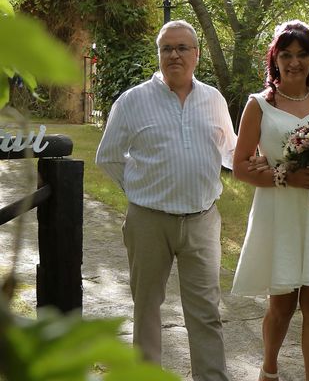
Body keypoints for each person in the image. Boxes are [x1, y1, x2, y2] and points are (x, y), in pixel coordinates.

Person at [96, 20, 236, 381]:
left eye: (182, 48)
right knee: (147, 309)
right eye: (166, 49)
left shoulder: (213, 99)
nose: (174, 55)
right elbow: (108, 156)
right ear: (158, 54)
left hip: (202, 219)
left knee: (206, 312)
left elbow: (230, 152)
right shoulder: (132, 101)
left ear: (197, 54)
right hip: (148, 222)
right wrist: (141, 192)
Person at [231, 20, 309, 381]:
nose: (295, 62)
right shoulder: (259, 106)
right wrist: (287, 176)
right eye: (286, 54)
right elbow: (239, 167)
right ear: (275, 59)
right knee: (282, 304)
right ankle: (269, 369)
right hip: (279, 212)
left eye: (302, 54)